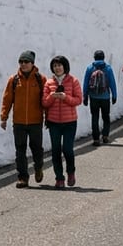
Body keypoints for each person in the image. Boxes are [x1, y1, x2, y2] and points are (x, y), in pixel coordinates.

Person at [0, 50, 46, 188]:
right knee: (20, 150)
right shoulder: (13, 80)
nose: (23, 64)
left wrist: (48, 116)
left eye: (26, 62)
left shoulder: (40, 79)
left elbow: (46, 100)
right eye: (21, 62)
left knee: (36, 148)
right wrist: (4, 117)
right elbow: (7, 99)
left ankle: (38, 167)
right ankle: (23, 177)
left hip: (36, 121)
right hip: (19, 122)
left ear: (33, 63)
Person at [43, 55, 82, 188]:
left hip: (70, 121)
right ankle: (59, 178)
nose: (57, 68)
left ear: (65, 66)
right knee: (55, 150)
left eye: (59, 65)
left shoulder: (73, 81)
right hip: (53, 122)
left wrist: (65, 98)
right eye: (55, 66)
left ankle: (71, 172)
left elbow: (78, 100)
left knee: (67, 149)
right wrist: (52, 97)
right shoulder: (49, 83)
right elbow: (44, 103)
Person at [82, 50, 118, 145]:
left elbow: (86, 83)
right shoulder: (108, 68)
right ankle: (105, 136)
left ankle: (96, 139)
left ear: (94, 57)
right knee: (106, 117)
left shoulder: (90, 68)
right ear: (103, 57)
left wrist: (85, 96)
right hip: (105, 97)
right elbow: (112, 82)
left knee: (95, 117)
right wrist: (114, 95)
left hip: (93, 97)